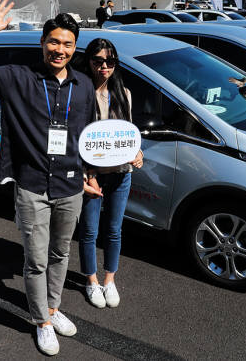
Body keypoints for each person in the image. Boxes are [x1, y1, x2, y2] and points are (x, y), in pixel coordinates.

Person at [0, 0, 96, 356]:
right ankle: (42, 322)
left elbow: (88, 133)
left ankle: (52, 307)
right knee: (35, 260)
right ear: (42, 43)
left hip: (69, 186)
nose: (59, 49)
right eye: (53, 42)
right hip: (32, 185)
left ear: (74, 47)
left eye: (67, 43)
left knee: (61, 254)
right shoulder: (19, 78)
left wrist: (89, 174)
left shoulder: (82, 85)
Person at [77, 38, 144, 309]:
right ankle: (91, 281)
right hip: (91, 175)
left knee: (114, 230)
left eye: (110, 61)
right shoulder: (80, 93)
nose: (104, 66)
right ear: (89, 62)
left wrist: (138, 153)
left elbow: (129, 135)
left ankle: (109, 280)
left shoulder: (124, 93)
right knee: (89, 231)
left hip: (121, 173)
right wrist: (85, 173)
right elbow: (75, 139)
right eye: (98, 61)